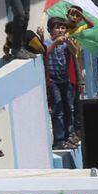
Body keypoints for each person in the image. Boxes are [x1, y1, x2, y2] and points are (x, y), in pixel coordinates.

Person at [31, 18, 81, 149]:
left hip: (66, 80)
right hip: (53, 81)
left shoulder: (67, 43)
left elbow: (75, 52)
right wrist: (55, 43)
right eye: (57, 28)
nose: (60, 30)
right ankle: (59, 139)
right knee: (57, 110)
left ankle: (70, 135)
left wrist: (69, 42)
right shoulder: (47, 43)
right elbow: (45, 52)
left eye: (63, 28)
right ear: (50, 30)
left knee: (69, 108)